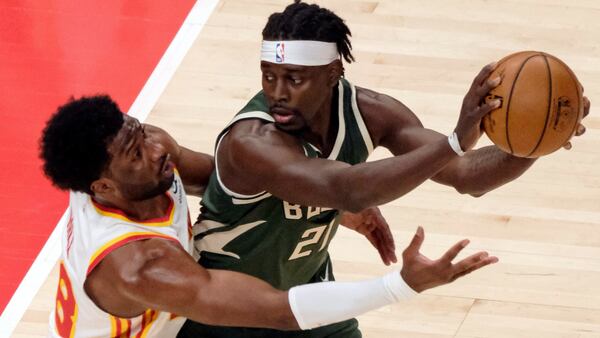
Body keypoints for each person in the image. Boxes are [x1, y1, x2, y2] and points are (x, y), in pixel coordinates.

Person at [179, 1, 590, 337]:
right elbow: (349, 191)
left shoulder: (372, 112)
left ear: (333, 73)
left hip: (313, 298)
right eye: (269, 77)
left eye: (294, 79)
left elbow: (466, 176)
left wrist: (537, 139)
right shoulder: (251, 142)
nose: (277, 93)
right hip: (228, 315)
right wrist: (454, 140)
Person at [41, 95, 498, 338]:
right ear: (102, 187)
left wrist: (335, 209)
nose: (159, 148)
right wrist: (400, 286)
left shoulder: (140, 161)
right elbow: (280, 312)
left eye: (141, 131)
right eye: (136, 152)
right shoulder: (141, 266)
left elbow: (227, 183)